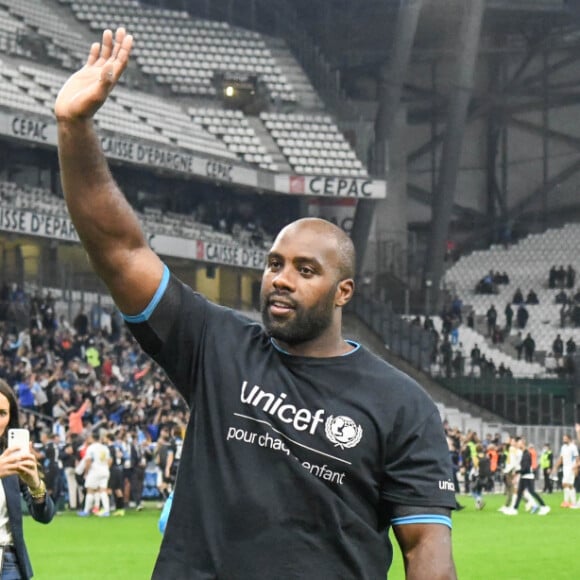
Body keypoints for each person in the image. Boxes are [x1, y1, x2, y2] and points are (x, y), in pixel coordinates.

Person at [55, 28, 457, 579]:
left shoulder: (403, 404)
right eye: (274, 264)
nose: (281, 279)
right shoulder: (214, 344)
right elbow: (120, 250)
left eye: (305, 269)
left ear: (344, 292)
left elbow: (426, 552)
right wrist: (74, 128)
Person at [0, 379, 55, 579]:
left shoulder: (11, 456)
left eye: (2, 414)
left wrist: (35, 484)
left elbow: (45, 515)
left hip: (9, 563)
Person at [502, 439, 550, 516]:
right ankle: (514, 509)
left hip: (528, 476)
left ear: (523, 444)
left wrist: (517, 472)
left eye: (519, 443)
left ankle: (544, 506)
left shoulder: (526, 454)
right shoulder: (524, 453)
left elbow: (526, 468)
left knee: (532, 492)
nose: (517, 445)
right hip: (524, 476)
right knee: (519, 493)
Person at [552, 433, 579, 508]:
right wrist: (555, 467)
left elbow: (577, 458)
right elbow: (561, 458)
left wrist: (576, 467)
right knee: (564, 484)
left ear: (569, 439)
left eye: (565, 438)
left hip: (571, 467)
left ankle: (573, 502)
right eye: (563, 438)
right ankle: (566, 502)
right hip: (565, 467)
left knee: (570, 484)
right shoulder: (563, 447)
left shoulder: (573, 447)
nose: (564, 440)